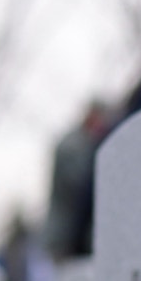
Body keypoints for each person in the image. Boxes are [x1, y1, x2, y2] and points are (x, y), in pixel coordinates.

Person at [44, 100, 113, 262]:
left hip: (73, 234)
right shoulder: (73, 145)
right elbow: (78, 184)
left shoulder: (86, 143)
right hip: (64, 234)